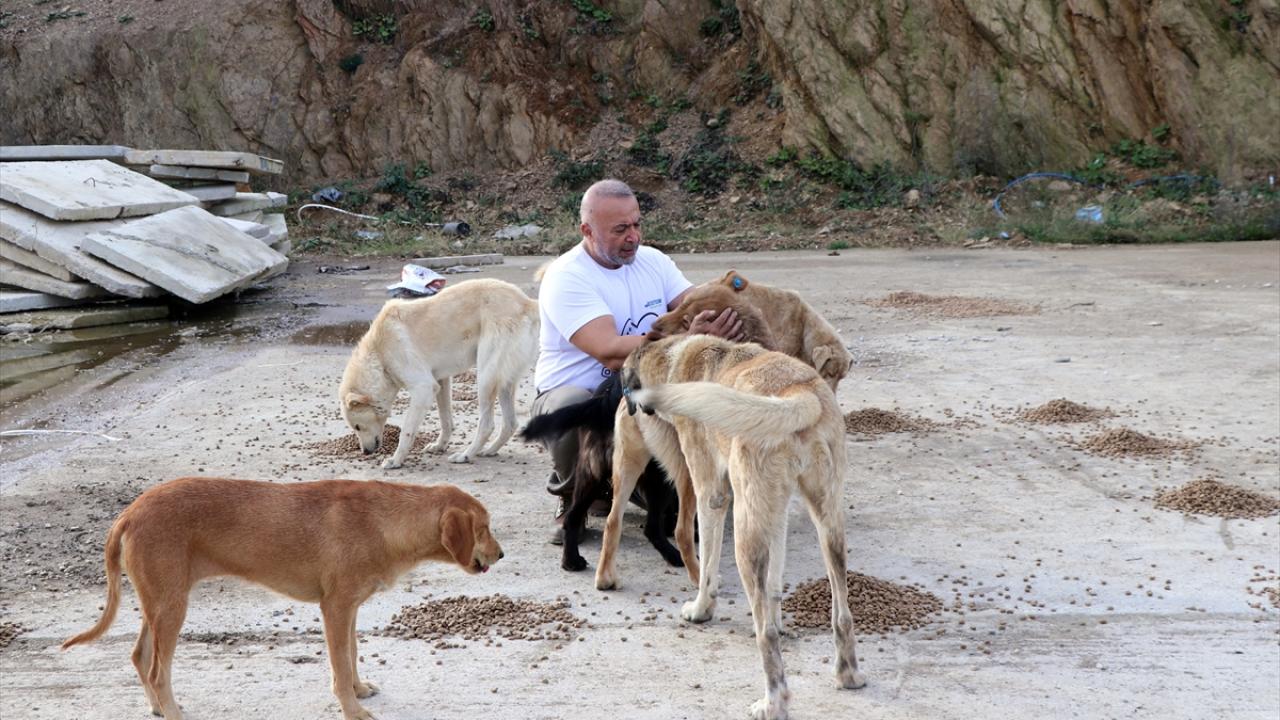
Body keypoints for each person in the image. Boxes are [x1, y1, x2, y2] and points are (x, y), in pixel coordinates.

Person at [533, 178, 743, 543]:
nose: (633, 236)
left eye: (636, 224)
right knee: (574, 407)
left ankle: (618, 488)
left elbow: (697, 302)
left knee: (683, 512)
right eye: (620, 230)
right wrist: (690, 338)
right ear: (587, 230)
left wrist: (726, 306)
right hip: (585, 393)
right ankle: (573, 496)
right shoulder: (567, 276)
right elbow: (611, 350)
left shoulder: (653, 262)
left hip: (641, 389)